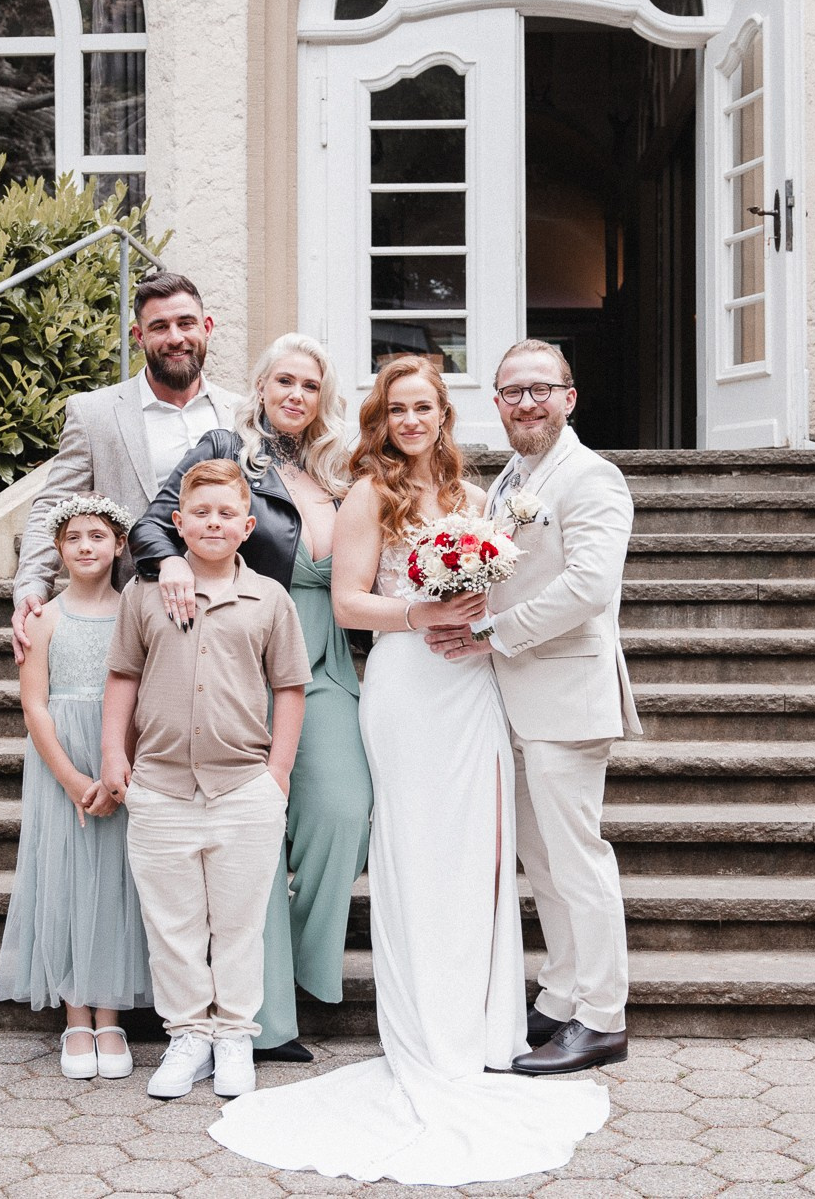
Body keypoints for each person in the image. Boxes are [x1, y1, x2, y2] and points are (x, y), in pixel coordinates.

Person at [209, 357, 609, 1186]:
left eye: (426, 406)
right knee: (418, 855)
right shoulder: (367, 494)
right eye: (398, 409)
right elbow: (351, 602)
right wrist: (421, 613)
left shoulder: (477, 496)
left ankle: (486, 1029)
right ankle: (429, 1034)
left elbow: (513, 585)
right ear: (381, 419)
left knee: (479, 857)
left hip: (475, 686)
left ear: (445, 414)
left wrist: (480, 617)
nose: (413, 420)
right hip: (405, 685)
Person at [128, 333, 369, 1065]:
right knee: (251, 829)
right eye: (284, 380)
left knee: (340, 810)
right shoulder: (226, 446)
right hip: (241, 657)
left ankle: (288, 968)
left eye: (310, 385)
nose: (296, 394)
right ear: (261, 386)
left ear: (324, 398)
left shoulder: (341, 468)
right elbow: (150, 520)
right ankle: (264, 1021)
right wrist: (169, 560)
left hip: (326, 659)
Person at [425, 339, 641, 1075]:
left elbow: (587, 588)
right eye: (512, 391)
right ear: (496, 402)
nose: (525, 403)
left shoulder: (592, 478)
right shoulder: (512, 478)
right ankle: (560, 993)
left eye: (540, 389)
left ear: (569, 397)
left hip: (568, 695)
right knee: (543, 860)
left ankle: (604, 1015)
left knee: (579, 861)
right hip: (516, 698)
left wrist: (490, 632)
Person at [99, 460, 311, 1101]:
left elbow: (290, 688)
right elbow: (122, 679)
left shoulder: (270, 599)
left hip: (244, 788)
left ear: (247, 527)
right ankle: (189, 1035)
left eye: (226, 514)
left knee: (239, 923)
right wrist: (114, 754)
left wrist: (277, 775)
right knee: (174, 924)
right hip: (161, 787)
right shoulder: (144, 594)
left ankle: (236, 1036)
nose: (213, 523)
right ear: (177, 522)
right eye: (201, 513)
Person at [0, 494, 153, 1079]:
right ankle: (75, 1016)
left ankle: (109, 1014)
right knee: (64, 878)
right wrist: (70, 778)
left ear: (119, 546)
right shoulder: (43, 617)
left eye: (97, 536)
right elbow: (34, 706)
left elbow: (141, 697)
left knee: (113, 881)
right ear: (58, 550)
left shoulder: (133, 612)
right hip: (61, 761)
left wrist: (115, 776)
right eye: (73, 539)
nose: (86, 547)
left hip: (117, 758)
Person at [10, 270, 241, 664]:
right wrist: (32, 583)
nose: (175, 337)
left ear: (206, 327)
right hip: (130, 612)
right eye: (159, 326)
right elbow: (53, 505)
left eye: (186, 323)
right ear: (138, 337)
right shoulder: (95, 413)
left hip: (228, 612)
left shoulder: (241, 412)